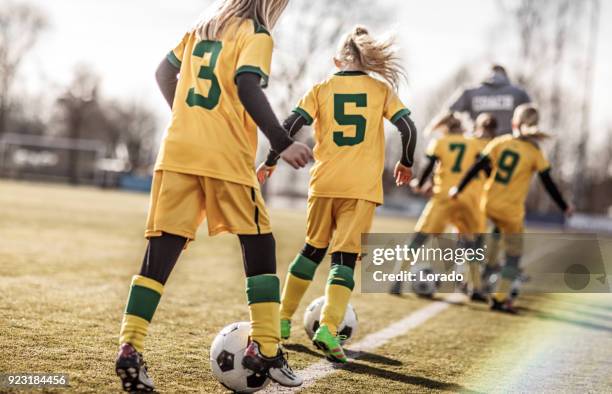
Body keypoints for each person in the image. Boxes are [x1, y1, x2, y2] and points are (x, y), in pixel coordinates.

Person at [114, 1, 313, 391]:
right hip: (224, 157)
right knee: (259, 240)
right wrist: (282, 141)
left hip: (177, 153)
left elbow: (163, 71)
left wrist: (188, 120)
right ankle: (267, 348)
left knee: (161, 251)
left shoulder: (200, 29)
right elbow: (247, 84)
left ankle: (130, 348)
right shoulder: (255, 33)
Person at [256, 26, 417, 363]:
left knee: (312, 249)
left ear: (338, 59)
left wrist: (271, 161)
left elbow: (288, 125)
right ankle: (328, 327)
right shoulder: (380, 89)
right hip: (360, 189)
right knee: (344, 258)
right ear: (367, 59)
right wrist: (406, 161)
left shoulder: (321, 89)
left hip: (324, 183)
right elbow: (408, 127)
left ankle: (282, 320)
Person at [450, 104, 573, 313]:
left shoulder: (500, 142)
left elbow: (477, 167)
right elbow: (548, 182)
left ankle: (477, 278)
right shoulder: (534, 152)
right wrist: (564, 206)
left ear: (514, 123)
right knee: (514, 257)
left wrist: (458, 188)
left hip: (488, 202)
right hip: (511, 210)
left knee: (485, 236)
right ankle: (498, 297)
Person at [389, 112, 494, 298]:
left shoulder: (440, 143)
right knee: (471, 245)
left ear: (444, 127)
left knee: (418, 240)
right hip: (469, 198)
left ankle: (397, 280)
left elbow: (429, 165)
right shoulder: (475, 143)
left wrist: (420, 184)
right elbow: (486, 169)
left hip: (444, 197)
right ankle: (475, 287)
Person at [449, 64, 531, 135]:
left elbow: (449, 111)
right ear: (505, 75)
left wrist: (462, 131)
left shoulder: (470, 92)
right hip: (509, 145)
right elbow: (532, 116)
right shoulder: (519, 93)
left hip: (478, 144)